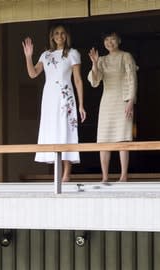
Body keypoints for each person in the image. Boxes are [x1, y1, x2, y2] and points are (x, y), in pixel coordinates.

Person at [22, 24, 86, 182]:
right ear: (52, 36)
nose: (60, 36)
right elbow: (33, 73)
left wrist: (81, 104)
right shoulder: (45, 55)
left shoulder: (73, 53)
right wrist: (28, 56)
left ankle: (66, 173)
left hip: (65, 96)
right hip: (49, 97)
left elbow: (77, 80)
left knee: (65, 129)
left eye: (63, 33)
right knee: (52, 129)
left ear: (67, 36)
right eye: (56, 33)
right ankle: (56, 171)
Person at [88, 32, 137, 182]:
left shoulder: (126, 56)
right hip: (107, 102)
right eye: (107, 40)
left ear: (119, 40)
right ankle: (104, 177)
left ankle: (123, 175)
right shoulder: (101, 59)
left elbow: (132, 79)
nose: (110, 42)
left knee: (123, 138)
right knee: (104, 139)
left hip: (122, 100)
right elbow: (95, 81)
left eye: (113, 39)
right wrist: (95, 63)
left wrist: (130, 100)